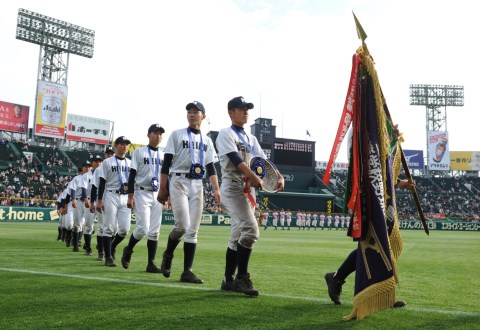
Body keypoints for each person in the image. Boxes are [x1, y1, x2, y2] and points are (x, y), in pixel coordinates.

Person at [216, 96, 285, 297]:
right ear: (231, 112)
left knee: (237, 234)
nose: (246, 111)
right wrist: (253, 176)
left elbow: (264, 162)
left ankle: (228, 281)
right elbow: (236, 159)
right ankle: (242, 277)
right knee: (251, 231)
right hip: (233, 186)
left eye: (247, 108)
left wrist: (279, 176)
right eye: (241, 108)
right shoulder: (225, 134)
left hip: (249, 188)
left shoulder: (251, 138)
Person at [325, 178, 416, 306]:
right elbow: (374, 169)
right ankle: (380, 296)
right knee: (375, 248)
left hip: (381, 200)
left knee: (376, 248)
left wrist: (398, 182)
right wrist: (397, 182)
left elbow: (383, 169)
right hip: (370, 198)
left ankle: (337, 278)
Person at [157, 101, 220, 284]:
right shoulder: (177, 135)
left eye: (196, 112)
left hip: (197, 184)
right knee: (182, 226)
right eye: (189, 112)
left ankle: (187, 271)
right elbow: (166, 163)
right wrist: (163, 188)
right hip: (178, 181)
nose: (192, 115)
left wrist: (216, 189)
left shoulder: (207, 141)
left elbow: (210, 167)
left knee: (193, 230)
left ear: (203, 117)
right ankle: (168, 253)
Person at [121, 124, 166, 273]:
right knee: (143, 228)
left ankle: (151, 264)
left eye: (160, 134)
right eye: (155, 133)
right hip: (141, 192)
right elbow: (132, 175)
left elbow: (166, 176)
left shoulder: (164, 154)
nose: (158, 136)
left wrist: (168, 195)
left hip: (158, 192)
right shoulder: (139, 152)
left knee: (154, 231)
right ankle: (128, 249)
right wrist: (130, 196)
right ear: (148, 135)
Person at [96, 136, 132, 267]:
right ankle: (108, 257)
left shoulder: (130, 163)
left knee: (124, 230)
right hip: (111, 194)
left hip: (125, 195)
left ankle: (112, 246)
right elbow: (102, 182)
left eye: (126, 144)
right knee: (109, 228)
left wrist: (132, 197)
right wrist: (99, 200)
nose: (124, 146)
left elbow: (133, 182)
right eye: (122, 144)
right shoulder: (107, 162)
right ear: (116, 146)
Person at [90, 146, 115, 261]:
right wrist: (93, 202)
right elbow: (94, 186)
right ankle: (101, 251)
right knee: (102, 227)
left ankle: (109, 249)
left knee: (114, 228)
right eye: (108, 153)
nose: (110, 155)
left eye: (111, 153)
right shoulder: (99, 169)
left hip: (113, 198)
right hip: (102, 198)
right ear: (105, 155)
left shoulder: (118, 166)